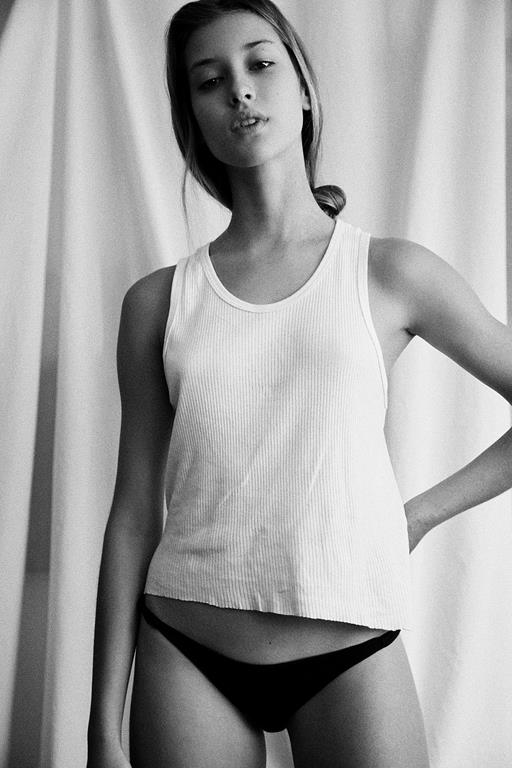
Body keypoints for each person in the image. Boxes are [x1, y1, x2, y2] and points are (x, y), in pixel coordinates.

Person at [87, 1, 512, 767]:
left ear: (305, 88)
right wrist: (101, 728)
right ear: (192, 115)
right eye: (209, 80)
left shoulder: (390, 272)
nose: (240, 91)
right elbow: (132, 514)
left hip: (350, 648)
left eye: (260, 64)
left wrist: (418, 515)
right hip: (184, 646)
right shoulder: (156, 302)